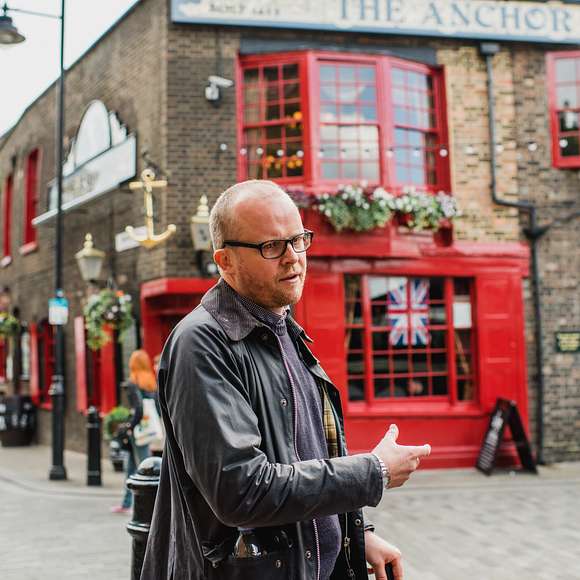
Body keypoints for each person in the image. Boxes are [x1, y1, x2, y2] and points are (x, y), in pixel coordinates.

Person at [141, 180, 431, 579]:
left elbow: (303, 458)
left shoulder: (283, 330)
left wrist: (354, 534)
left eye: (298, 240)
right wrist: (373, 472)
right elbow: (242, 491)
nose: (293, 258)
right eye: (272, 247)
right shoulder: (201, 344)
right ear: (225, 261)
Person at [111, 349, 158, 514]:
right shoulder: (151, 382)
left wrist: (130, 426)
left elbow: (138, 408)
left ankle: (150, 505)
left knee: (146, 467)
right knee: (131, 466)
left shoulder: (133, 383)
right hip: (148, 430)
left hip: (138, 431)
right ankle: (126, 503)